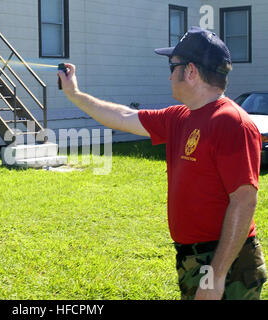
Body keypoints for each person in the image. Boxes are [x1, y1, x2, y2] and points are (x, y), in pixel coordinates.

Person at [58, 26, 266, 300]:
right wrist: (75, 94)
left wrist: (214, 278)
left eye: (172, 66)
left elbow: (244, 201)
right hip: (195, 257)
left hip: (226, 261)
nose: (169, 75)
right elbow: (123, 116)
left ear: (190, 71)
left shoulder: (231, 123)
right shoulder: (179, 117)